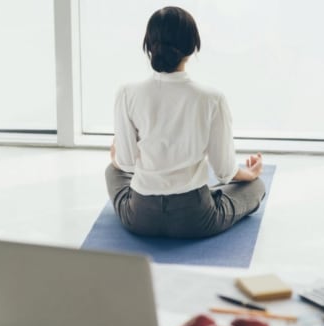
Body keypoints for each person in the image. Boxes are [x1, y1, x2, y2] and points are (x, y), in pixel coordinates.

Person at [105, 6, 265, 238]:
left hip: (140, 217)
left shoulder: (127, 93)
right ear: (192, 47)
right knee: (256, 187)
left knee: (112, 172)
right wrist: (250, 175)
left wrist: (116, 158)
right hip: (194, 219)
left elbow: (126, 164)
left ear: (149, 46)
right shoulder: (212, 98)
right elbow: (224, 172)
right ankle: (212, 194)